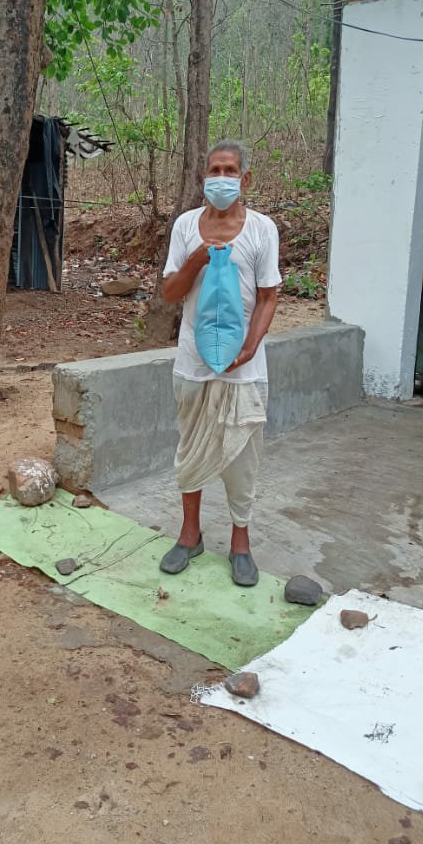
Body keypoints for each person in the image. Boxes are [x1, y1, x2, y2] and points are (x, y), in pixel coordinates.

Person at [159, 138, 281, 587]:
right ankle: (189, 535)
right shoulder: (186, 227)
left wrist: (249, 347)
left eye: (231, 171)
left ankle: (240, 543)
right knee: (190, 446)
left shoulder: (262, 229)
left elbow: (268, 296)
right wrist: (195, 259)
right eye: (215, 171)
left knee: (242, 455)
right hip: (193, 360)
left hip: (243, 367)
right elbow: (170, 294)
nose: (222, 179)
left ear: (245, 179)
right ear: (203, 177)